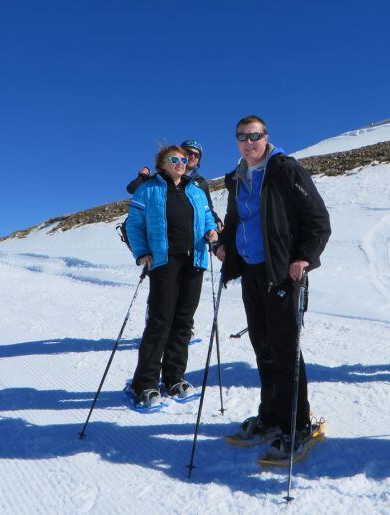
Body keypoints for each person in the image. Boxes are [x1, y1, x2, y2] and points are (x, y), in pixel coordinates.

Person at [216, 115, 331, 459]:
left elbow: (318, 220)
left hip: (282, 271)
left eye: (255, 135)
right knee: (262, 345)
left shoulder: (285, 170)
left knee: (285, 348)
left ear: (266, 137)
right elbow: (237, 220)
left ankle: (297, 424)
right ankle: (271, 416)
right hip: (251, 271)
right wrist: (224, 244)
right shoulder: (238, 178)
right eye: (242, 136)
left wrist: (304, 257)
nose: (249, 142)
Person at [125, 145, 218, 407]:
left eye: (183, 159)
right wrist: (142, 251)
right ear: (162, 164)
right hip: (165, 262)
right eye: (174, 159)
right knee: (160, 322)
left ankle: (174, 378)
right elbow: (134, 223)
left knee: (183, 322)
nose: (180, 162)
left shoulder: (196, 190)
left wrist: (212, 231)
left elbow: (208, 217)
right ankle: (144, 383)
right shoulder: (148, 189)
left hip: (195, 261)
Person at [126, 140, 222, 231]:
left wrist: (216, 220)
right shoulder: (162, 177)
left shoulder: (200, 182)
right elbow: (132, 189)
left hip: (191, 239)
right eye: (188, 152)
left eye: (197, 155)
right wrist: (142, 177)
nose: (192, 156)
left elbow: (207, 208)